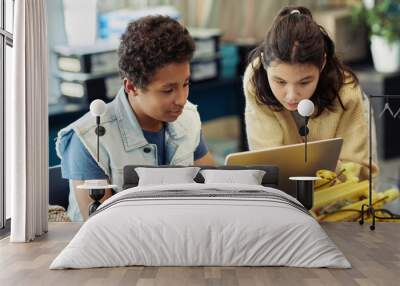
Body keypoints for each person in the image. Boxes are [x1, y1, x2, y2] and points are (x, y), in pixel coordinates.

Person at [56, 16, 214, 221]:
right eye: (168, 90)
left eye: (185, 84)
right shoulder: (88, 140)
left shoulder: (188, 117)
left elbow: (213, 184)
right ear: (131, 87)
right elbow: (103, 227)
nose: (182, 99)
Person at [243, 6, 378, 180]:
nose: (291, 95)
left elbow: (361, 173)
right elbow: (266, 163)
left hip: (339, 184)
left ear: (322, 63)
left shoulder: (346, 93)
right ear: (264, 62)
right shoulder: (256, 81)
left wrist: (326, 169)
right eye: (280, 81)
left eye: (304, 82)